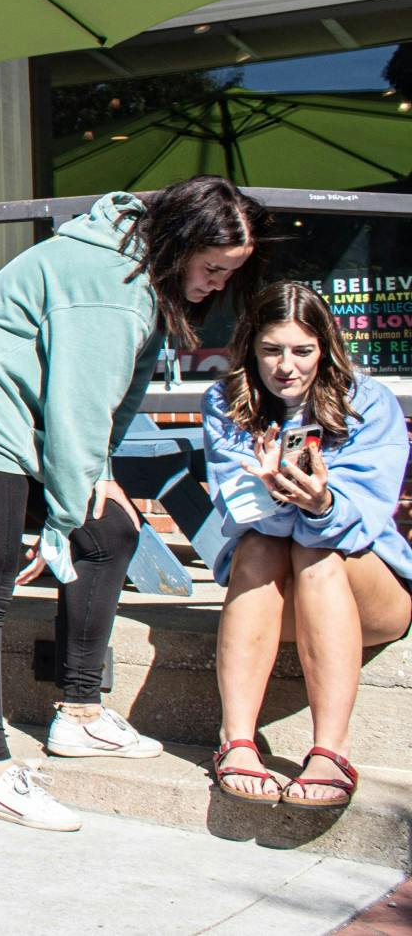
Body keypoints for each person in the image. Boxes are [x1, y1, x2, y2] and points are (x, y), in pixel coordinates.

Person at [0, 175, 267, 831]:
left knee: (112, 534)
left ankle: (79, 714)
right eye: (214, 268)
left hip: (25, 409)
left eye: (229, 273)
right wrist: (64, 509)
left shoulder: (138, 269)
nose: (218, 284)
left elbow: (107, 396)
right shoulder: (115, 288)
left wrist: (96, 481)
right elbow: (77, 404)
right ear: (183, 243)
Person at [206, 282, 410, 809]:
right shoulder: (226, 403)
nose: (286, 366)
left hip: (367, 591)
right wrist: (274, 497)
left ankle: (330, 750)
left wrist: (321, 506)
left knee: (316, 552)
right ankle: (238, 741)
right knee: (257, 548)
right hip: (279, 595)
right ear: (251, 346)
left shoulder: (369, 402)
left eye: (302, 350)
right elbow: (238, 513)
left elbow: (365, 518)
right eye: (272, 349)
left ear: (325, 348)